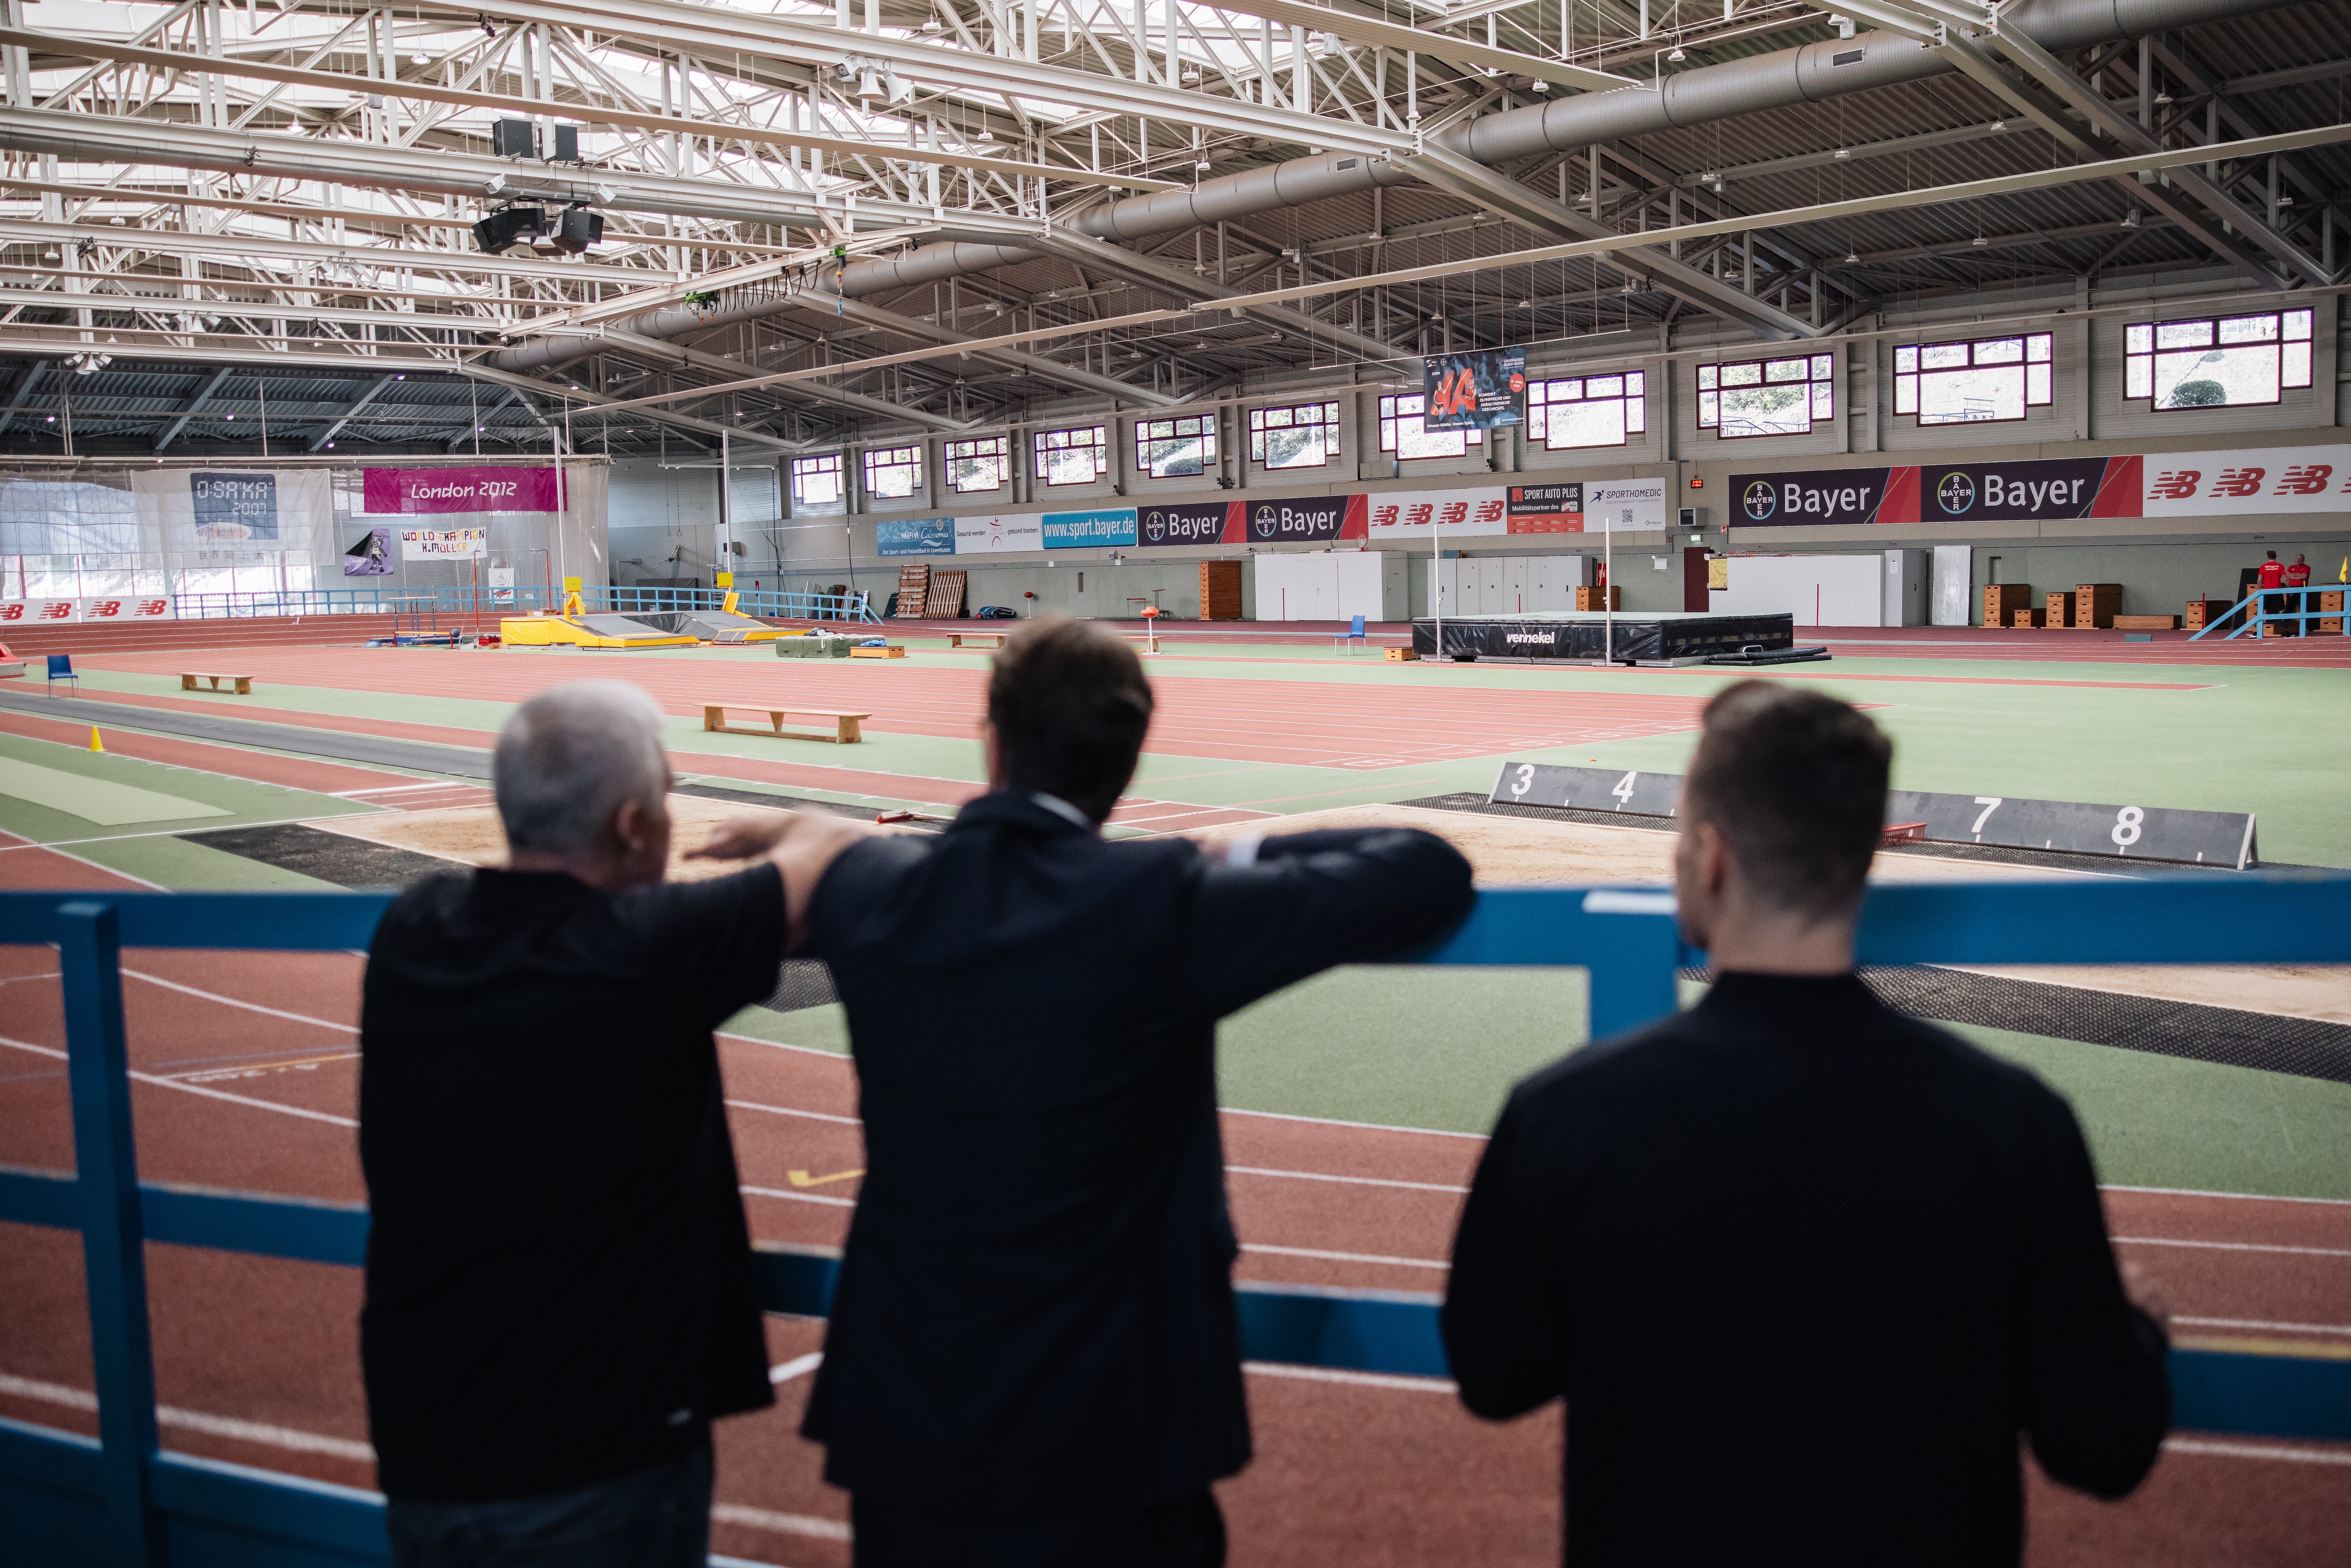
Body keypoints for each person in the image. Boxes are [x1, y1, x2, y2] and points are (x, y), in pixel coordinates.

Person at [793, 616, 1475, 1566]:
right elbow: (1425, 869)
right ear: (1127, 761)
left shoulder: (870, 886)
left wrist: (815, 842)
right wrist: (1228, 853)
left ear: (993, 742)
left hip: (909, 1418)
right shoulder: (1157, 899)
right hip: (1115, 1428)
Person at [1442, 681, 2170, 1568]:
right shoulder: (2013, 1124)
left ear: (1712, 858)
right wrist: (2134, 1330)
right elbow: (2100, 1448)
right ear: (1858, 860)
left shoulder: (1565, 1113)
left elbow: (1495, 1375)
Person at [359, 682, 870, 1568]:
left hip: (426, 1446)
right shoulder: (647, 947)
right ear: (634, 827)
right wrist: (781, 826)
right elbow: (832, 847)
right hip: (599, 1454)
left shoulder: (414, 929)